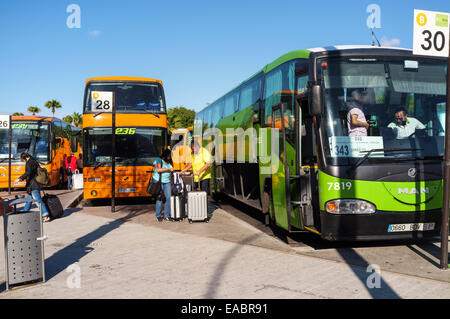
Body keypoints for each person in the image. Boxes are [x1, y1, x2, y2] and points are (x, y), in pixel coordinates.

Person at [13, 152, 50, 222]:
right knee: (28, 201)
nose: (23, 161)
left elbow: (28, 172)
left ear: (25, 158)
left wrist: (20, 178)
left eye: (23, 160)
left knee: (38, 201)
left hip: (33, 185)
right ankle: (24, 214)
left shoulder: (29, 163)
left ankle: (45, 215)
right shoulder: (34, 161)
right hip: (33, 184)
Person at [152, 149, 173, 222]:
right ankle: (158, 215)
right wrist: (168, 169)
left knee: (168, 197)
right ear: (166, 154)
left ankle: (167, 215)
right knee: (159, 198)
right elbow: (158, 170)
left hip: (167, 181)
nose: (170, 157)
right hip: (159, 181)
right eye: (169, 155)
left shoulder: (170, 161)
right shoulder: (158, 160)